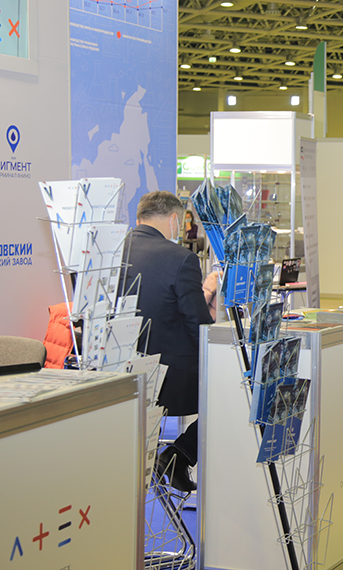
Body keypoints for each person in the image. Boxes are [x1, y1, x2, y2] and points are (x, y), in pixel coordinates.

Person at [123, 191, 220, 492]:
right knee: (231, 391)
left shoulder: (111, 250)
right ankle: (180, 454)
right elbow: (198, 324)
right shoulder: (181, 259)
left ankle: (174, 457)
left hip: (120, 374)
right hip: (170, 379)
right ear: (175, 219)